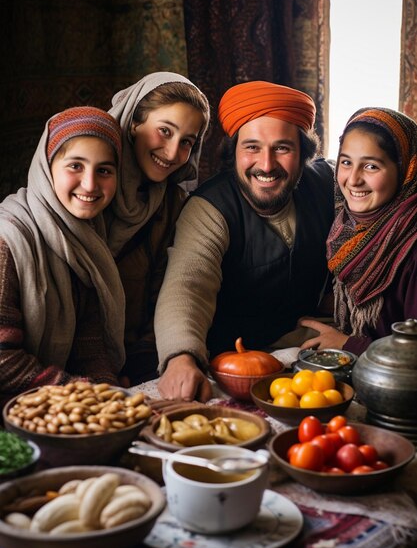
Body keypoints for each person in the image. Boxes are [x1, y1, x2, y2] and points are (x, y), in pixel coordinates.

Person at [154, 80, 335, 402]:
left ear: (303, 153)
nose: (266, 165)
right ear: (233, 151)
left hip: (309, 356)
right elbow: (188, 284)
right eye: (251, 147)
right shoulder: (210, 207)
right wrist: (180, 356)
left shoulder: (327, 184)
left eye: (282, 148)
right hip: (234, 366)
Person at [0, 106, 126, 405]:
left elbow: (90, 345)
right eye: (75, 166)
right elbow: (2, 359)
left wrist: (110, 397)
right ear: (46, 167)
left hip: (56, 406)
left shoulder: (85, 240)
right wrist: (84, 395)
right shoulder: (8, 239)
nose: (90, 184)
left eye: (104, 170)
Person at [106, 72, 210, 385]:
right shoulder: (87, 193)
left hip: (139, 368)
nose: (172, 152)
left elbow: (169, 293)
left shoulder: (173, 205)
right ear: (133, 122)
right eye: (165, 131)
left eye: (187, 142)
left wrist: (143, 372)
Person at [300, 107, 417, 356]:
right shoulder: (347, 229)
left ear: (405, 170)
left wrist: (347, 344)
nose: (353, 179)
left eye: (371, 166)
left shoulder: (412, 244)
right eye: (346, 162)